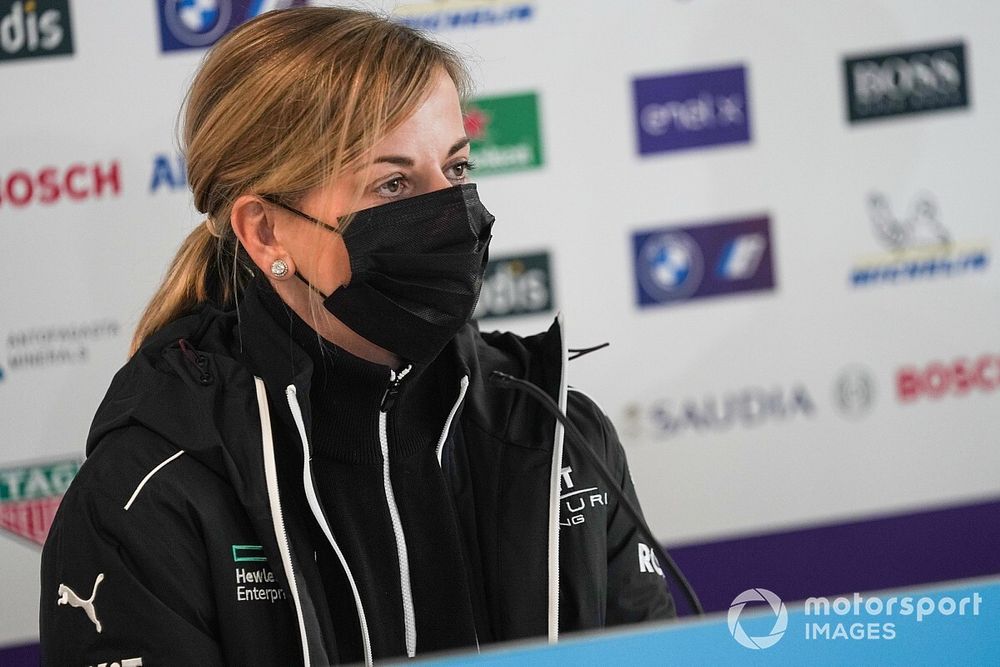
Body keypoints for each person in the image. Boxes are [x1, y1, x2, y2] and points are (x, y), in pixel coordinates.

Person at [39, 7, 675, 665]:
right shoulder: (151, 489)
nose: (449, 213)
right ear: (265, 231)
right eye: (393, 183)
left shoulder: (559, 433)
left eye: (455, 169)